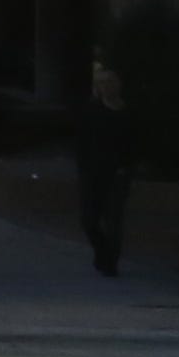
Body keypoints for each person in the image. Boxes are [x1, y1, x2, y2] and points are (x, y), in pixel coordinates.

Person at [73, 61, 137, 278]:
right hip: (92, 174)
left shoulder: (128, 113)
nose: (106, 86)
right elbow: (81, 142)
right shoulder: (91, 112)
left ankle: (111, 262)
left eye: (109, 82)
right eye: (101, 83)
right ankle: (102, 251)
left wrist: (126, 167)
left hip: (117, 175)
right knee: (88, 220)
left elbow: (134, 144)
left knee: (113, 220)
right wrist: (83, 168)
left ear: (118, 84)